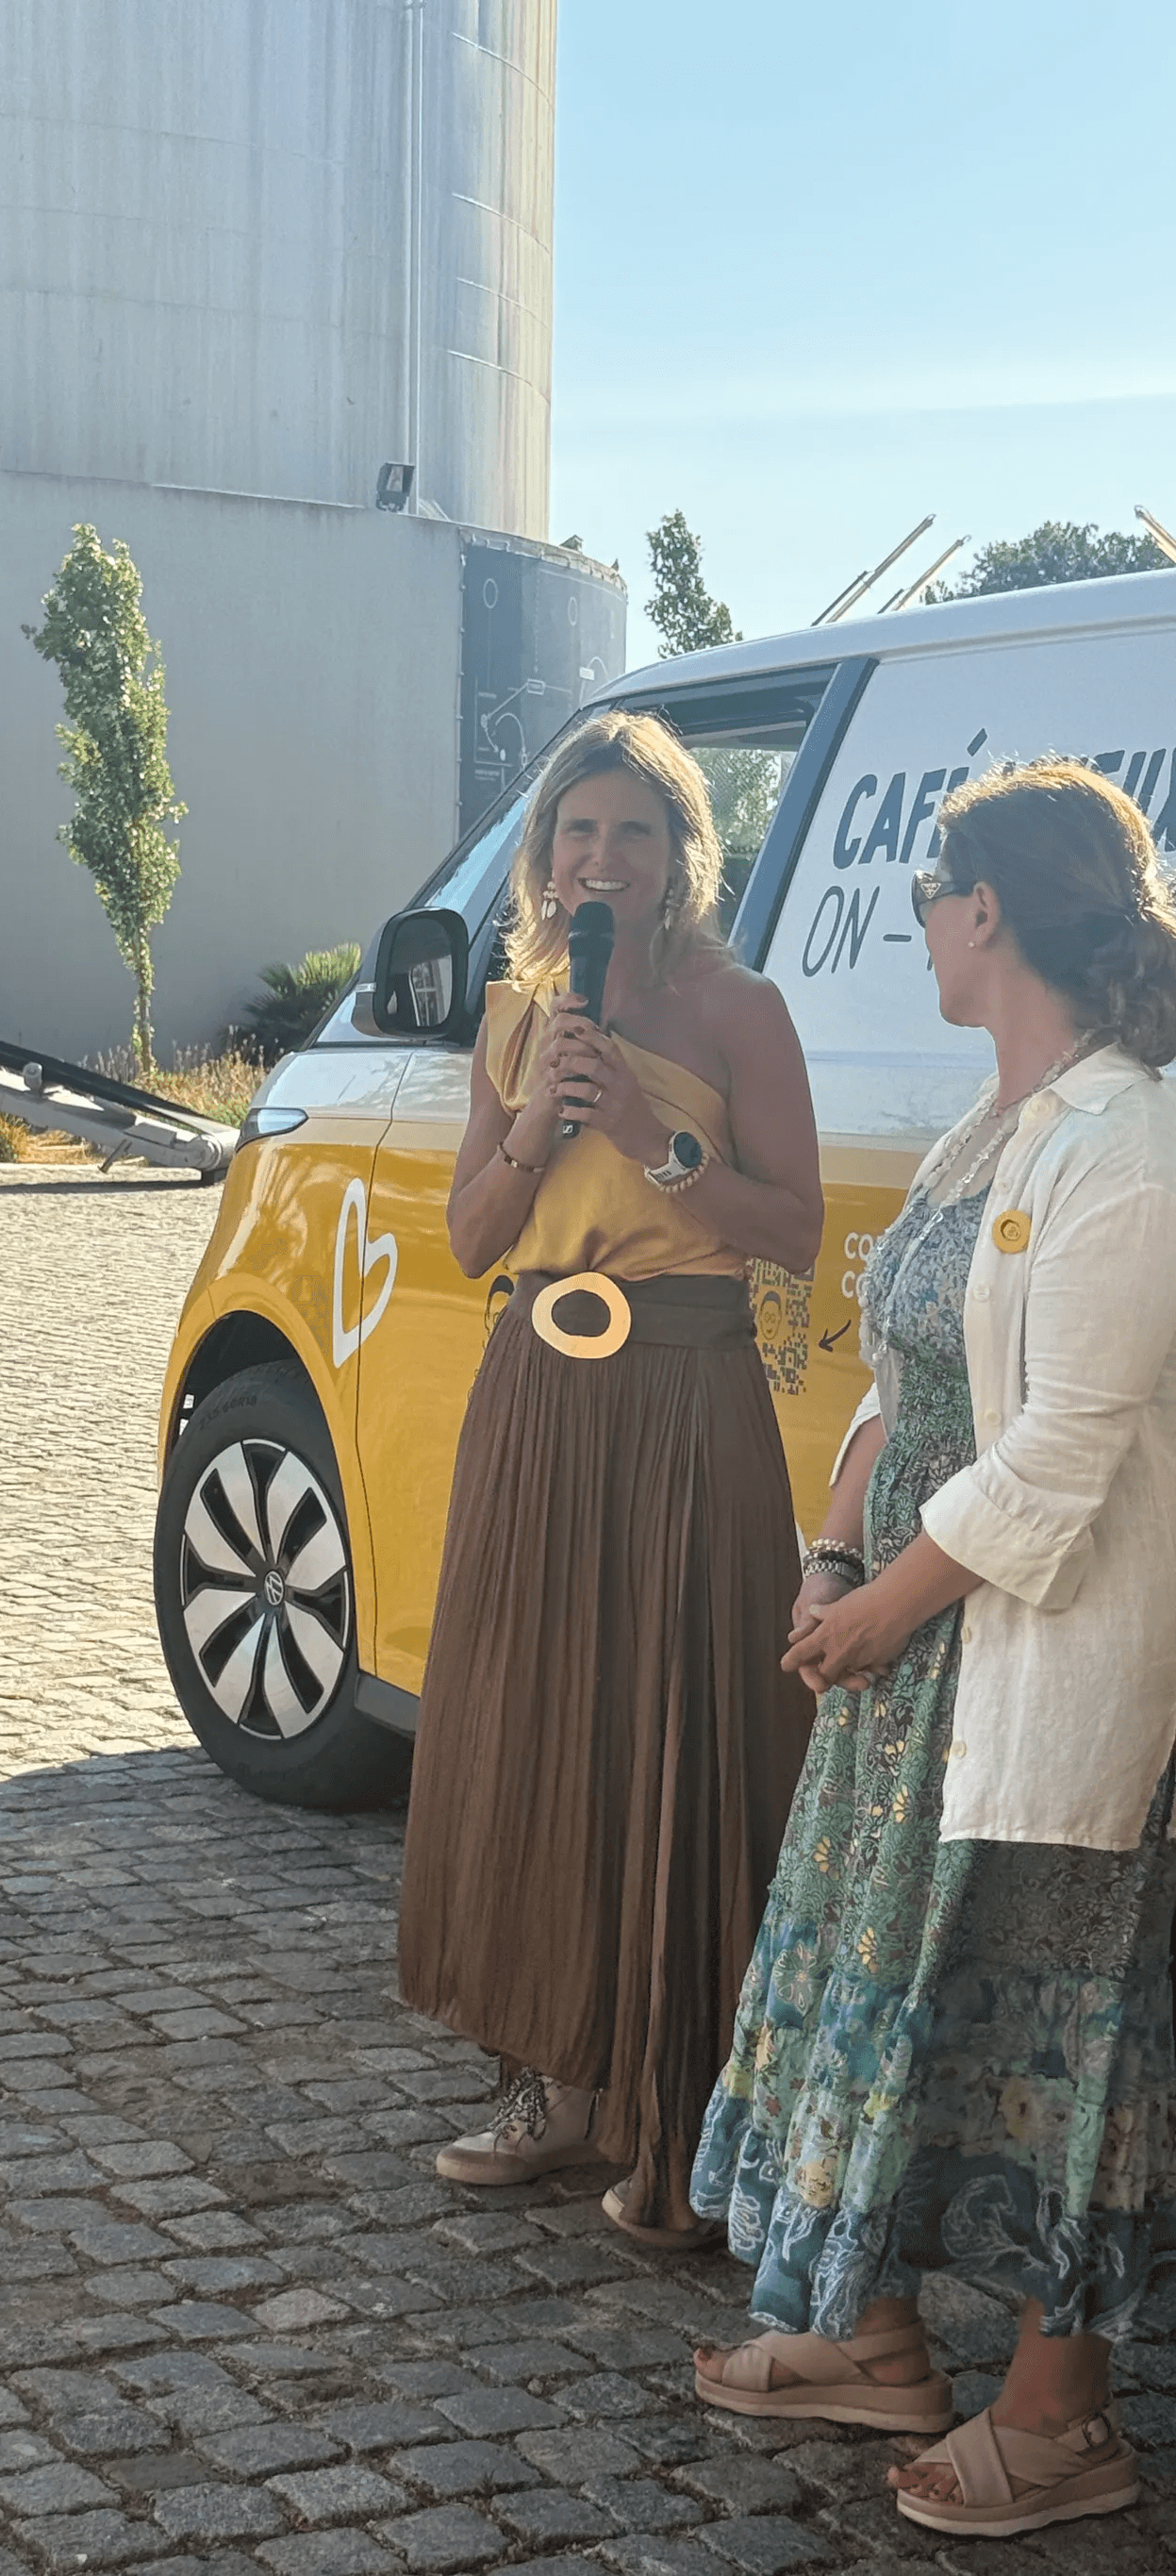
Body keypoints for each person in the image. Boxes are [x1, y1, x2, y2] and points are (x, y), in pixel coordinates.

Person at [688, 759, 1176, 2542]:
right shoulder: (1000, 1123)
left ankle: (1060, 2416)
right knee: (898, 1998)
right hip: (908, 1663)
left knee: (1060, 2026)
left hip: (1024, 1658)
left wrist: (881, 1608)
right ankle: (874, 2330)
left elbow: (1062, 1450)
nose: (917, 924)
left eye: (929, 895)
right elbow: (903, 1376)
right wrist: (834, 1551)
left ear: (988, 910)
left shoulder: (1133, 1143)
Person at [397, 708, 822, 2246]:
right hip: (541, 1396)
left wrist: (650, 1136)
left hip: (687, 1395)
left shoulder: (739, 1011)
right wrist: (531, 1124)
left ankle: (685, 2109)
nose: (601, 856)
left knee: (680, 1730)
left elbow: (794, 1231)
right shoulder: (517, 1016)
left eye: (633, 831)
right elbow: (471, 1238)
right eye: (577, 831)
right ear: (544, 858)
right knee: (540, 1726)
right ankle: (556, 2079)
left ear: (679, 855)